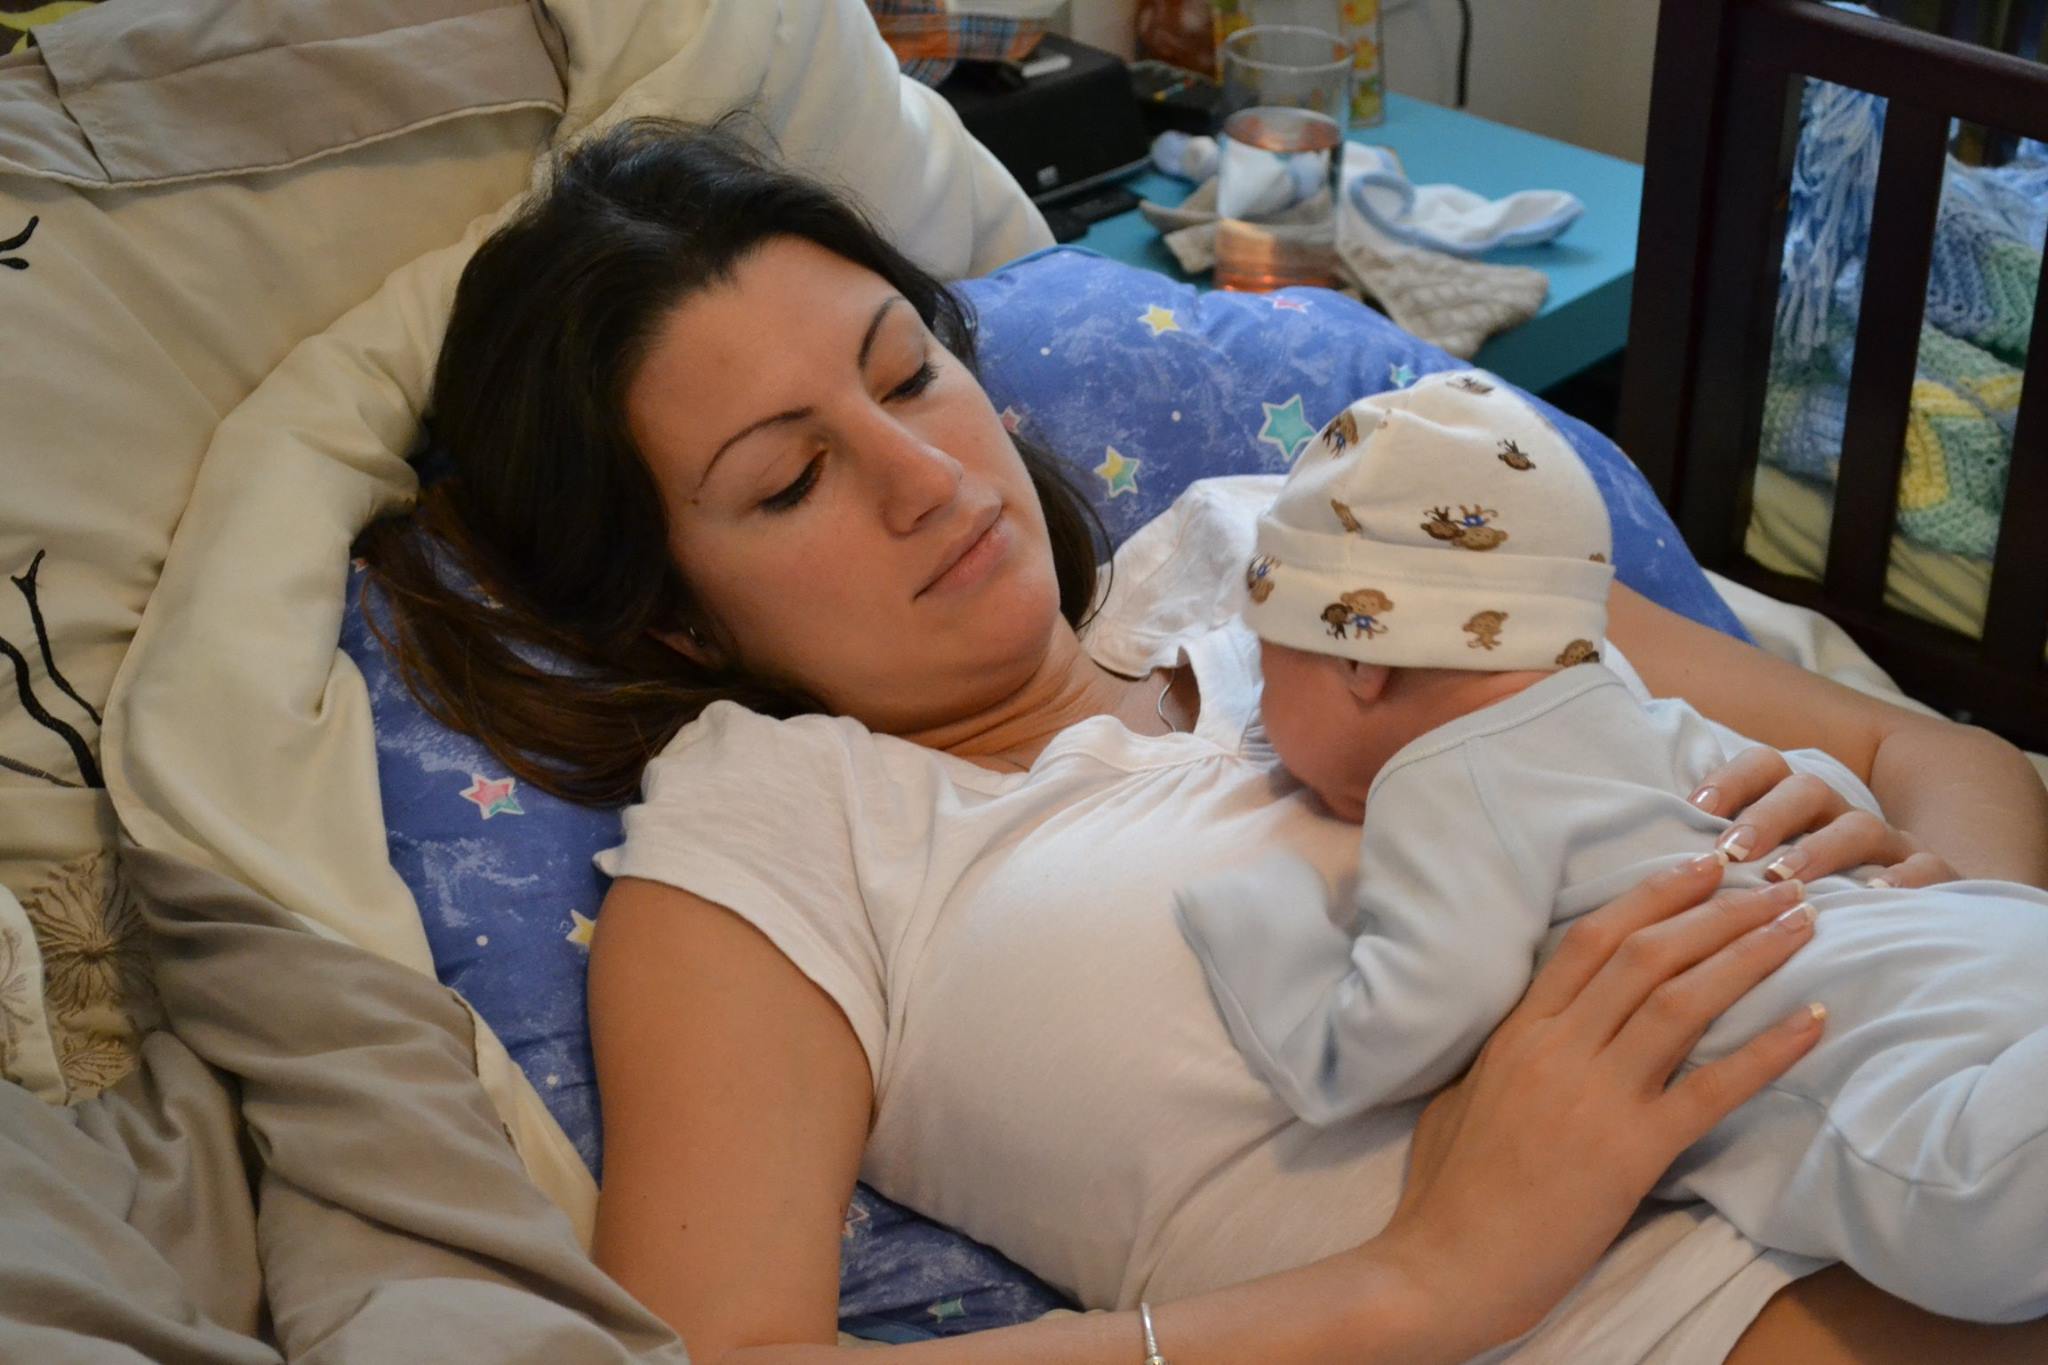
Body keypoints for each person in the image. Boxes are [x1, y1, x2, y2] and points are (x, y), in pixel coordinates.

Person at [358, 118, 2048, 1363]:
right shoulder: (779, 839)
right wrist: (1423, 1282)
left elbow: (1940, 756)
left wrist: (1945, 919)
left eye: (911, 375)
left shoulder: (1296, 534)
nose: (930, 477)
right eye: (792, 479)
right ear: (673, 614)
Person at [1173, 372, 2048, 1324]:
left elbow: (1399, 1027)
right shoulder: (1634, 708)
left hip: (1902, 1078)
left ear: (1357, 655)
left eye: (1267, 659)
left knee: (1973, 1224)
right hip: (1987, 944)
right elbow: (1813, 788)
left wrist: (1261, 923)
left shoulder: (1442, 781)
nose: (1259, 707)